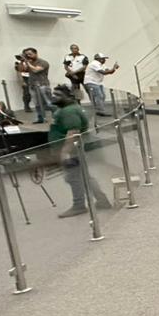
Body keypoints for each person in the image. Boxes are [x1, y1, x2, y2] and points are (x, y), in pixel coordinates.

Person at [47, 85, 112, 217]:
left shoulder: (69, 111)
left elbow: (73, 133)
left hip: (73, 150)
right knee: (83, 176)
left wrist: (65, 152)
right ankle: (102, 200)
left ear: (68, 96)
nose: (54, 97)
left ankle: (79, 205)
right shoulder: (66, 109)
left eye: (58, 95)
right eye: (54, 94)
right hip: (74, 149)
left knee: (73, 177)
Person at [17, 48, 52, 123]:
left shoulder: (43, 62)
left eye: (30, 54)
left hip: (43, 85)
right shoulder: (29, 62)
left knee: (49, 103)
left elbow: (35, 70)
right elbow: (21, 70)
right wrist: (21, 61)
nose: (28, 56)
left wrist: (27, 62)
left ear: (36, 53)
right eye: (27, 54)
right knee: (37, 104)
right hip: (32, 85)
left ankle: (57, 118)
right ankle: (41, 118)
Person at [82, 53, 119, 117]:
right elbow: (104, 72)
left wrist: (114, 68)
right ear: (99, 59)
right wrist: (113, 68)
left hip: (97, 82)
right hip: (91, 82)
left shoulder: (101, 64)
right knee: (99, 96)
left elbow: (109, 71)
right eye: (103, 59)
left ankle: (98, 110)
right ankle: (101, 111)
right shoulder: (94, 64)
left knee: (102, 96)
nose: (105, 60)